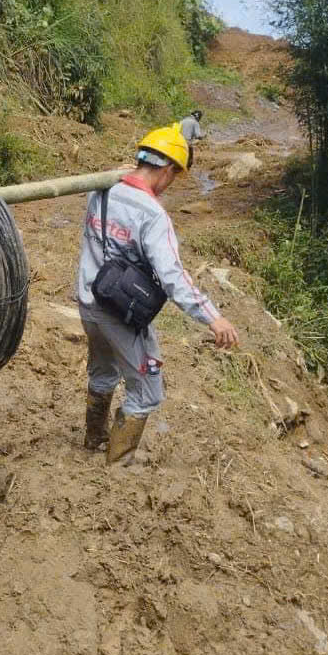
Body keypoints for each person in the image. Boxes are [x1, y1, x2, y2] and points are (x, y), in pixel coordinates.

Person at [76, 124, 239, 466]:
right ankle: (118, 465)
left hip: (89, 303)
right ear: (167, 171)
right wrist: (213, 316)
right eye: (175, 176)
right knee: (147, 392)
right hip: (120, 314)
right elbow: (173, 277)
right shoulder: (152, 214)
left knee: (102, 371)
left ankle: (94, 439)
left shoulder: (99, 191)